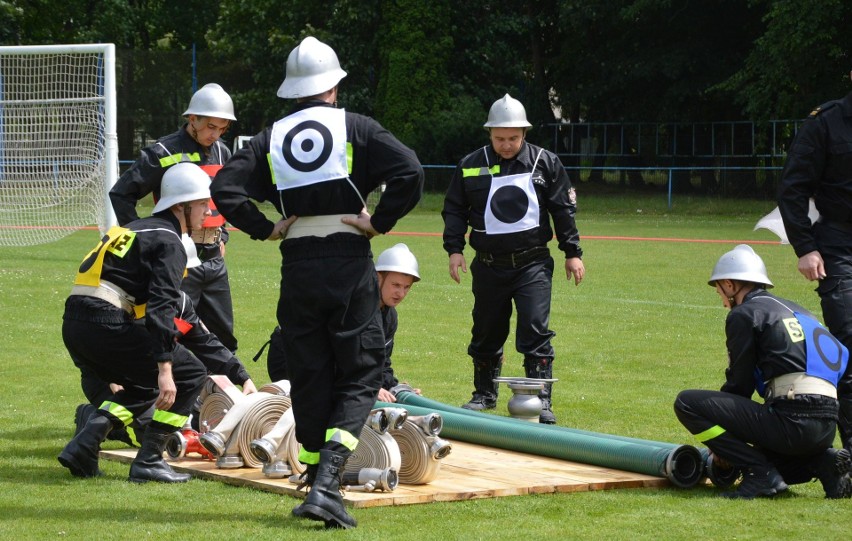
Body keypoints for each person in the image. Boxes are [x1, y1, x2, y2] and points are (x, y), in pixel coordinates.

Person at [210, 37, 423, 529]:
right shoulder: (358, 126)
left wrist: (265, 227)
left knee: (309, 371)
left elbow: (224, 187)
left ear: (294, 90)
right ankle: (327, 482)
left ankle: (312, 473)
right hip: (348, 258)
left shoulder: (270, 137)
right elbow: (410, 171)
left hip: (298, 262)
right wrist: (379, 222)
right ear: (333, 85)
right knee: (361, 372)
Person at [58, 163, 215, 484]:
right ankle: (149, 459)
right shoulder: (170, 242)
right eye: (202, 203)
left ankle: (84, 446)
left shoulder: (131, 228)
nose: (207, 210)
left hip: (75, 323)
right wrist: (166, 370)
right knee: (192, 374)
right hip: (106, 322)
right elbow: (160, 310)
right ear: (181, 206)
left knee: (141, 384)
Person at [442, 93, 585, 424]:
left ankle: (541, 399)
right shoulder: (470, 164)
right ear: (489, 133)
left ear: (524, 133)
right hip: (488, 265)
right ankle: (484, 394)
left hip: (533, 264)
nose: (506, 145)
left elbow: (563, 210)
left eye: (513, 138)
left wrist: (572, 252)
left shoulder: (545, 163)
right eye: (499, 138)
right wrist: (454, 249)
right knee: (486, 329)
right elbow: (454, 209)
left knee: (535, 329)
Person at [674, 244, 852, 499]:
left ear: (730, 284)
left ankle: (759, 474)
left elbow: (739, 384)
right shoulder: (803, 312)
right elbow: (846, 373)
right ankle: (824, 463)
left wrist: (724, 442)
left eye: (720, 292)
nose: (723, 301)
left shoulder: (744, 314)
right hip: (825, 429)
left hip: (792, 422)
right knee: (766, 459)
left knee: (687, 403)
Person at [109, 82, 239, 353]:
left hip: (215, 260)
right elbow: (121, 194)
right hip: (177, 259)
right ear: (193, 119)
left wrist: (222, 233)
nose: (215, 135)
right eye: (210, 127)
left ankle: (221, 394)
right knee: (174, 332)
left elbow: (221, 198)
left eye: (222, 129)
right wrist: (145, 242)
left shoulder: (223, 152)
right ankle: (170, 391)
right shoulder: (163, 152)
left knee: (223, 337)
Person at [73, 289, 258, 447]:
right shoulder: (131, 301)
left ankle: (112, 427)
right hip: (107, 379)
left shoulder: (181, 303)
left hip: (151, 381)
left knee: (181, 427)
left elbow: (207, 343)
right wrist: (112, 379)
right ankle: (91, 416)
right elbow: (100, 345)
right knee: (154, 437)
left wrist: (243, 377)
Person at [777, 77, 852, 453]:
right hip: (839, 248)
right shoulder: (825, 122)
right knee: (849, 347)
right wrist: (805, 247)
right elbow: (793, 187)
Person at [263, 243, 423, 402]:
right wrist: (369, 387)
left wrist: (396, 389)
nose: (400, 293)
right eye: (395, 285)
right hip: (293, 355)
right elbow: (332, 358)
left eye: (406, 287)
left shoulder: (390, 317)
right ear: (378, 277)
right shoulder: (351, 306)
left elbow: (380, 363)